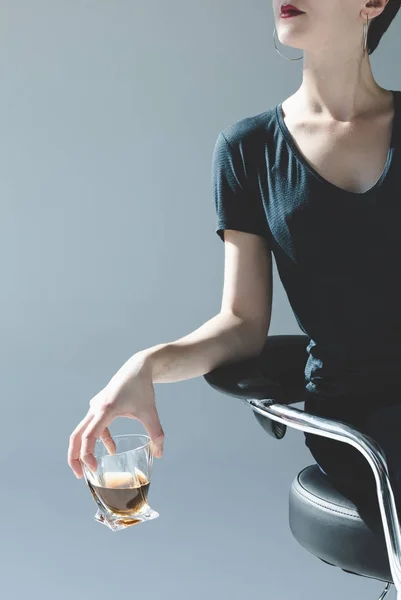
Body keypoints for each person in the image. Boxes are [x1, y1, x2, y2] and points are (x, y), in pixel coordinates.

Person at [68, 0, 401, 514]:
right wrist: (147, 364)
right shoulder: (248, 150)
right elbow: (243, 323)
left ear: (372, 3)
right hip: (358, 425)